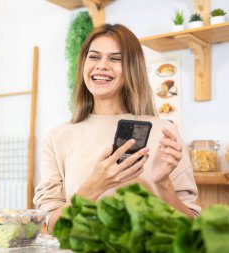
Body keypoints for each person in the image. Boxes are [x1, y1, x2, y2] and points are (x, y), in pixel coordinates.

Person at [33, 23, 200, 234]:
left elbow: (191, 227)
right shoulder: (58, 137)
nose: (102, 65)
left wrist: (163, 183)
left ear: (132, 67)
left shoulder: (164, 132)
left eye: (115, 58)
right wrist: (95, 185)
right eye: (94, 57)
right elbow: (51, 226)